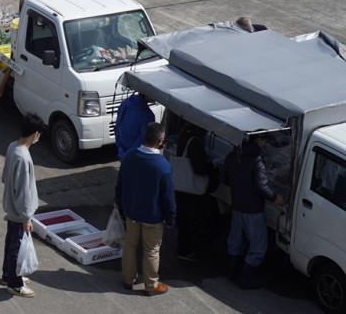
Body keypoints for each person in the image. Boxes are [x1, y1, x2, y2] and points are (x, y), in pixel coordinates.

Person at [116, 122, 176, 296]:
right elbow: (168, 199)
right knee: (151, 250)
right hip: (152, 217)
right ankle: (151, 285)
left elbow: (119, 185)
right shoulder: (163, 166)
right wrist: (171, 218)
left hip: (131, 212)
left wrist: (120, 206)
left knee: (130, 245)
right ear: (160, 141)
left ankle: (128, 280)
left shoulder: (129, 156)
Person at [222, 135, 284, 289]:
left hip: (237, 205)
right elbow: (261, 186)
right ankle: (245, 279)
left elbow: (224, 178)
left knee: (235, 241)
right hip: (254, 209)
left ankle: (231, 272)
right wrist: (275, 197)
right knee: (258, 247)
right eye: (265, 141)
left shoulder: (233, 155)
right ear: (260, 140)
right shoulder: (257, 160)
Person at [1, 114, 45, 298]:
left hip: (11, 207)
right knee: (17, 247)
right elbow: (24, 191)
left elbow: (5, 177)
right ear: (35, 134)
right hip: (20, 212)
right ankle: (15, 283)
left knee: (11, 242)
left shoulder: (13, 147)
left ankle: (8, 274)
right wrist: (27, 217)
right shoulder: (24, 157)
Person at [174, 122, 217, 263]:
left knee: (183, 219)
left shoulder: (184, 136)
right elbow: (199, 168)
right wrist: (211, 167)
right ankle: (188, 250)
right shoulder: (195, 142)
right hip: (191, 190)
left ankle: (182, 248)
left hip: (181, 186)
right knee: (193, 220)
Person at [114, 93, 156, 160]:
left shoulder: (125, 103)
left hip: (122, 150)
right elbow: (141, 140)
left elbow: (118, 125)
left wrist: (120, 147)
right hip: (134, 155)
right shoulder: (148, 115)